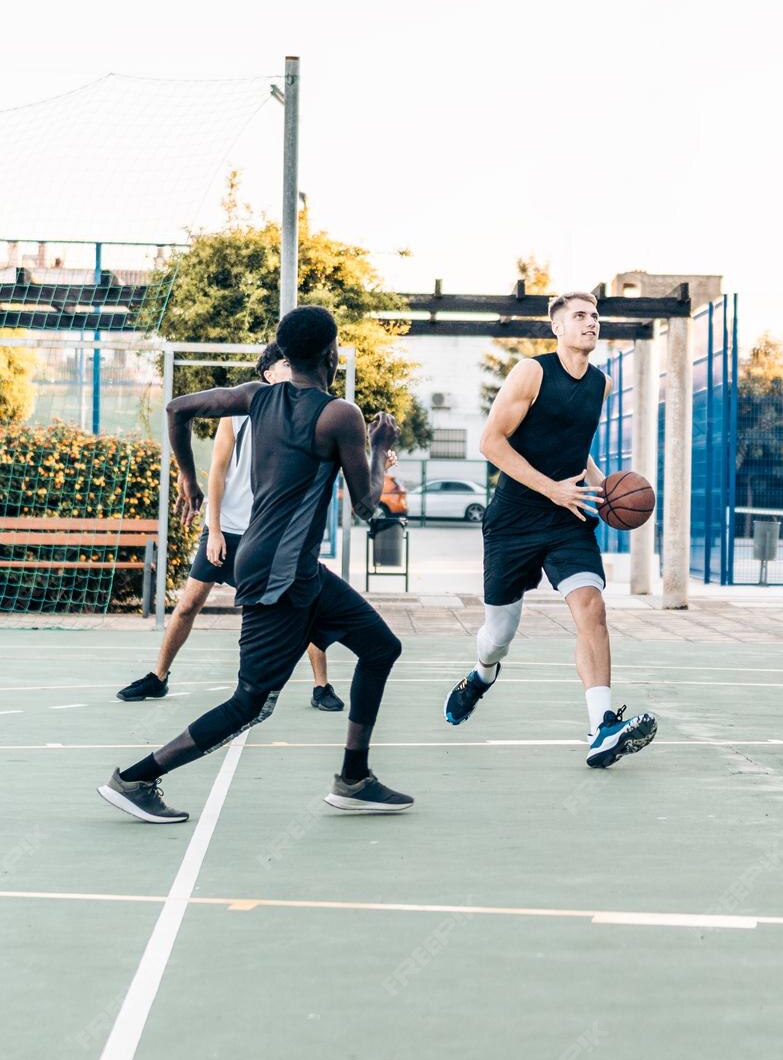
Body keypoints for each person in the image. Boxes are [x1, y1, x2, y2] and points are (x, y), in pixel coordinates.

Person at [98, 305, 412, 824]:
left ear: (285, 353)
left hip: (292, 567)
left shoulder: (256, 397)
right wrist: (378, 448)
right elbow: (365, 504)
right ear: (332, 352)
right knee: (251, 702)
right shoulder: (340, 414)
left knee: (381, 647)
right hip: (278, 574)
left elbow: (177, 409)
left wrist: (187, 478)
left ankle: (354, 777)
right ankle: (135, 779)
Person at [444, 289, 656, 769]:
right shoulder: (531, 372)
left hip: (568, 518)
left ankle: (602, 728)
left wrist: (605, 491)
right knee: (498, 635)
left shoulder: (600, 383)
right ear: (556, 326)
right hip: (515, 519)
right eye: (579, 316)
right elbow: (491, 443)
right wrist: (551, 489)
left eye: (595, 316)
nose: (591, 323)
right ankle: (481, 675)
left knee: (592, 608)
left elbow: (573, 445)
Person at [116, 342, 344, 712]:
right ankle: (158, 677)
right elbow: (219, 470)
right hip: (231, 527)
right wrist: (216, 529)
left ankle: (322, 686)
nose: (295, 368)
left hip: (271, 533)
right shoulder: (241, 410)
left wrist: (376, 456)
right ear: (269, 374)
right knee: (189, 603)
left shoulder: (309, 412)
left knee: (299, 608)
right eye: (287, 363)